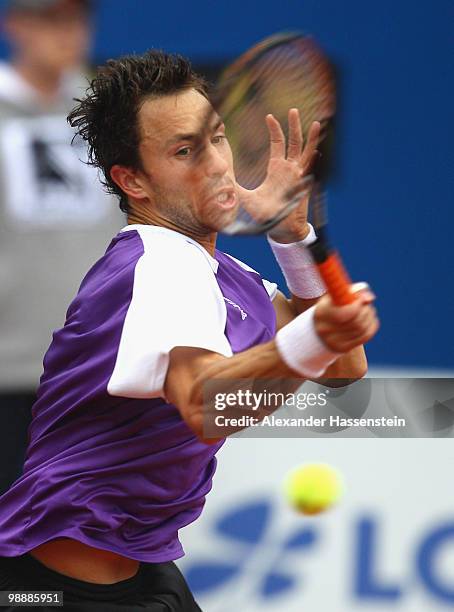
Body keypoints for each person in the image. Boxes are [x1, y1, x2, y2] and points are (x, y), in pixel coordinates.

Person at [0, 50, 379, 610]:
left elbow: (345, 367)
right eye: (185, 151)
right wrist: (315, 338)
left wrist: (293, 239)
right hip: (56, 591)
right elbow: (207, 404)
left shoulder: (225, 275)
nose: (219, 165)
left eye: (218, 137)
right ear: (134, 181)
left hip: (144, 574)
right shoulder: (158, 263)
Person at [0, 0, 123, 494]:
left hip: (99, 368)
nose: (67, 33)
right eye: (50, 19)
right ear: (16, 25)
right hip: (9, 368)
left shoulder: (114, 115)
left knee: (87, 543)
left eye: (76, 19)